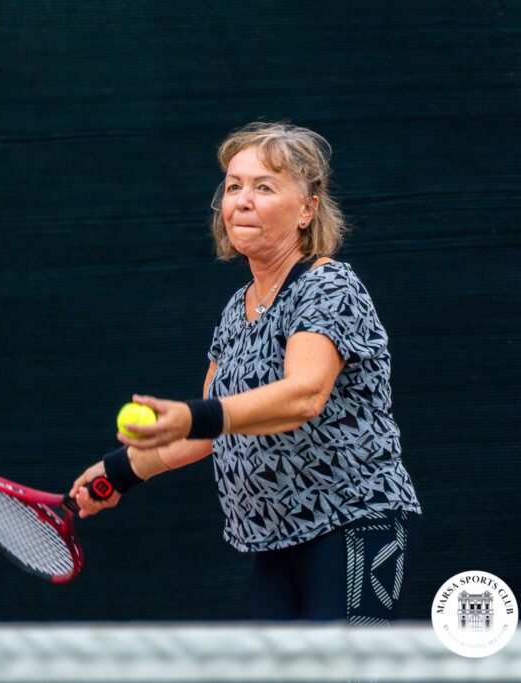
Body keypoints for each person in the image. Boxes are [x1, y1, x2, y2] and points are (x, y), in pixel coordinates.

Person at [70, 122, 421, 624]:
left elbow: (303, 396)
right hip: (275, 541)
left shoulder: (329, 286)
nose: (242, 199)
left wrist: (196, 416)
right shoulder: (238, 309)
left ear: (307, 210)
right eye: (233, 186)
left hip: (355, 524)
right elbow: (216, 433)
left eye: (264, 186)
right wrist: (120, 471)